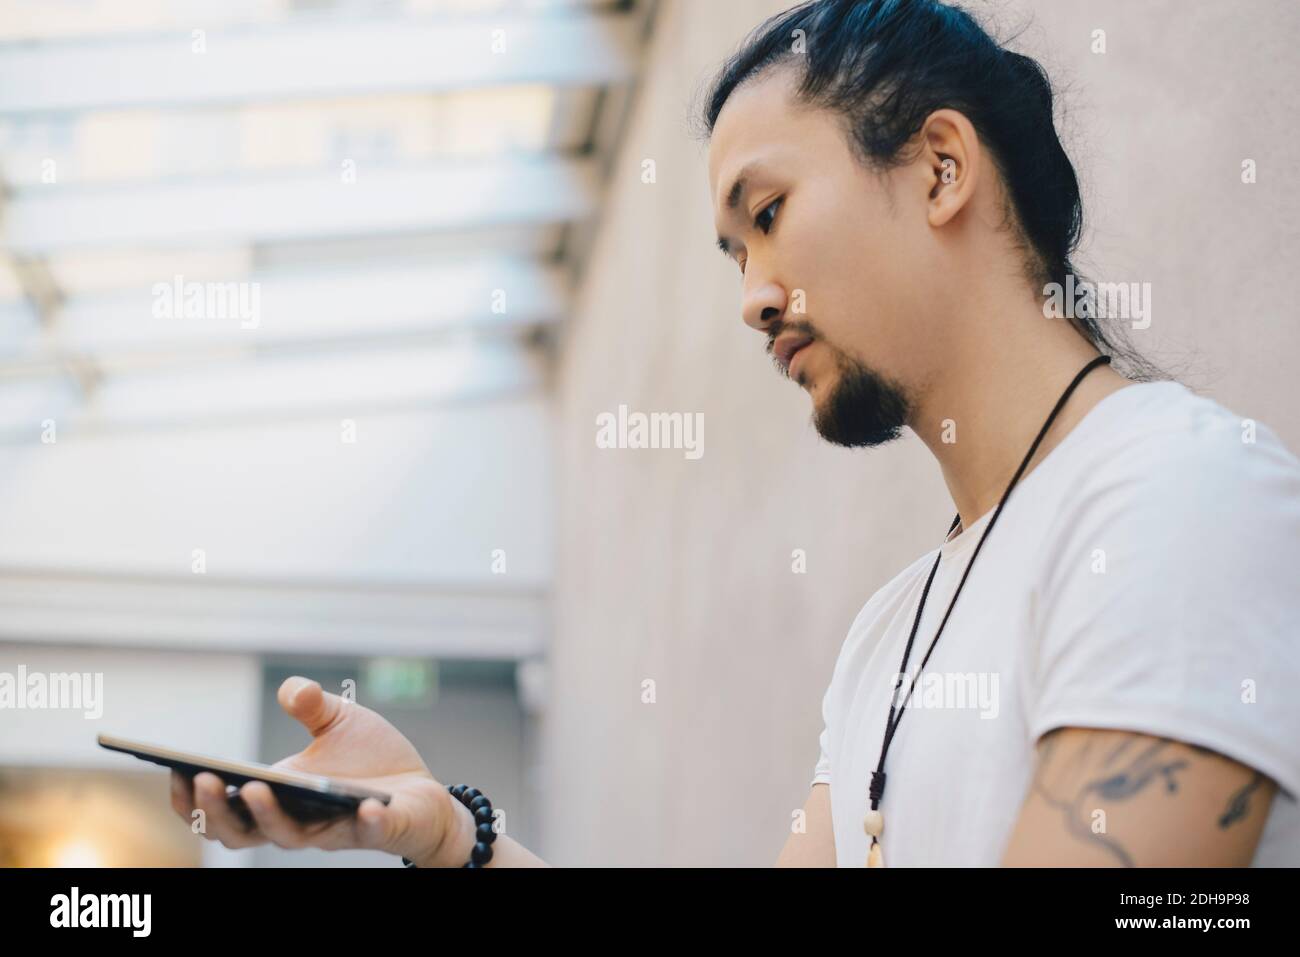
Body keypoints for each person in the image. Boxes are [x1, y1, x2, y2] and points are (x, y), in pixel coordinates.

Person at [170, 0, 1300, 867]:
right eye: (735, 255)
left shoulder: (1177, 498)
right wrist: (451, 835)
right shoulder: (889, 632)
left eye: (767, 217)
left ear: (941, 167)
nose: (754, 297)